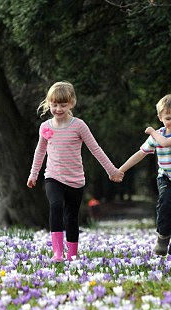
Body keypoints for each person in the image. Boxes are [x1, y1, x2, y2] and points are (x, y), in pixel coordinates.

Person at [27, 81, 123, 262]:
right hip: (53, 177)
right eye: (54, 105)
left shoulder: (79, 126)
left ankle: (72, 255)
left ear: (71, 103)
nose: (58, 109)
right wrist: (34, 174)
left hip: (75, 180)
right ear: (49, 104)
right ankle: (57, 252)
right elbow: (39, 152)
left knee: (71, 217)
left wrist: (112, 171)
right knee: (55, 206)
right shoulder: (45, 127)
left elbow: (96, 149)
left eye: (63, 105)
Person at [118, 93, 171, 258]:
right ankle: (163, 236)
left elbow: (166, 143)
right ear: (160, 118)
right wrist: (121, 169)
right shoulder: (158, 134)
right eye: (168, 118)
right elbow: (141, 153)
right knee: (166, 202)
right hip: (166, 177)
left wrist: (152, 131)